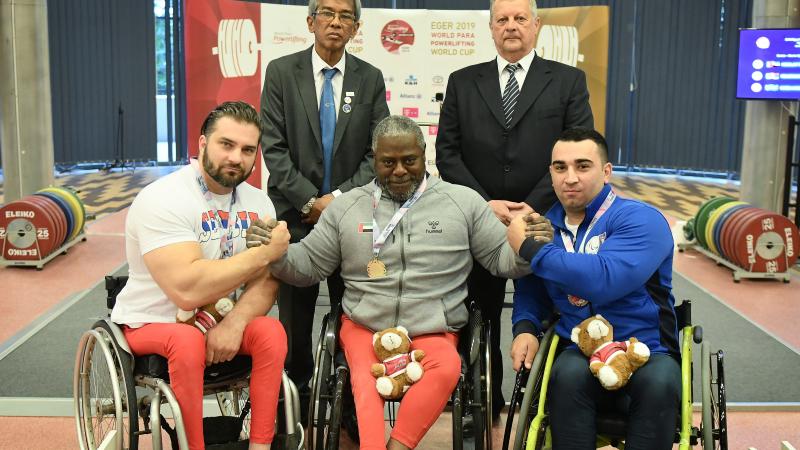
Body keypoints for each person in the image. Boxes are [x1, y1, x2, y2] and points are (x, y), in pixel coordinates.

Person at [247, 115, 531, 450]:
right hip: (365, 326)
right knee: (367, 385)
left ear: (424, 155)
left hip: (433, 329)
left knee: (448, 368)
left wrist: (528, 248)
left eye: (409, 160)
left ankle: (397, 445)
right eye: (388, 162)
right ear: (374, 159)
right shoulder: (346, 207)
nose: (399, 171)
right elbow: (308, 264)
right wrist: (275, 253)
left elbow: (501, 259)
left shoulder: (463, 202)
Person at [435, 0, 594, 418]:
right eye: (501, 20)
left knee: (545, 310)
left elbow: (579, 150)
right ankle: (480, 402)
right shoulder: (463, 82)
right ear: (490, 28)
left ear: (537, 25)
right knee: (476, 313)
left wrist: (534, 205)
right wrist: (484, 203)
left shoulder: (567, 82)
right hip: (478, 218)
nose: (511, 27)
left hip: (545, 219)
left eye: (520, 18)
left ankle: (543, 403)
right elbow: (447, 154)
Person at [110, 102, 290, 450]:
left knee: (270, 331)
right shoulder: (164, 198)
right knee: (186, 340)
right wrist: (265, 252)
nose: (236, 157)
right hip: (151, 321)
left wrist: (236, 323)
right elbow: (186, 291)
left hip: (219, 318)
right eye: (226, 144)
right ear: (203, 144)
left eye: (248, 149)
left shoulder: (259, 202)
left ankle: (261, 444)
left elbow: (266, 281)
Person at [507, 127, 681, 450]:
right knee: (565, 375)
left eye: (582, 166)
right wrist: (526, 327)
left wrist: (531, 249)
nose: (570, 177)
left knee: (661, 383)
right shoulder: (546, 226)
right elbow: (531, 289)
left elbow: (605, 279)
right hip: (580, 348)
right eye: (560, 167)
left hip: (646, 348)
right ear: (551, 172)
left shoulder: (641, 220)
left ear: (606, 171)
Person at [260, 0, 390, 418]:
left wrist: (337, 202)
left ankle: (349, 409)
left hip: (352, 219)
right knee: (294, 324)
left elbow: (379, 151)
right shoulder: (282, 72)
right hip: (295, 218)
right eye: (328, 13)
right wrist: (310, 201)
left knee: (352, 318)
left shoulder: (369, 78)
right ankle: (291, 409)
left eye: (346, 16)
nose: (336, 22)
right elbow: (274, 149)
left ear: (356, 26)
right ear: (310, 21)